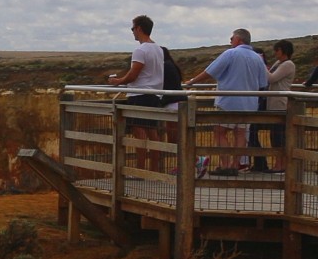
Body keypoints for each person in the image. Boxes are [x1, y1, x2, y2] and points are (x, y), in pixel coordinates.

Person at [187, 28, 269, 173]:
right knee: (241, 134)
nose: (230, 41)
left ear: (239, 39)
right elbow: (263, 83)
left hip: (229, 101)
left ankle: (224, 165)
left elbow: (210, 71)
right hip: (249, 103)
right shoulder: (257, 58)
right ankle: (234, 165)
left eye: (232, 38)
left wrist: (192, 81)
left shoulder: (231, 53)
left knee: (220, 131)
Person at [106, 15, 169, 172]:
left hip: (139, 95)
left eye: (133, 28)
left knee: (139, 132)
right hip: (155, 95)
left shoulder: (140, 50)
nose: (132, 31)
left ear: (139, 28)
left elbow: (134, 74)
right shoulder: (158, 49)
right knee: (153, 132)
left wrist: (118, 81)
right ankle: (154, 169)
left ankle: (140, 170)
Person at [255, 40, 297, 173]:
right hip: (273, 103)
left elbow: (271, 78)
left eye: (277, 50)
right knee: (275, 135)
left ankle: (280, 165)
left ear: (283, 51)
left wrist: (262, 65)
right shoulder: (279, 63)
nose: (275, 53)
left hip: (280, 103)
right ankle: (278, 164)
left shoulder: (288, 64)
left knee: (279, 136)